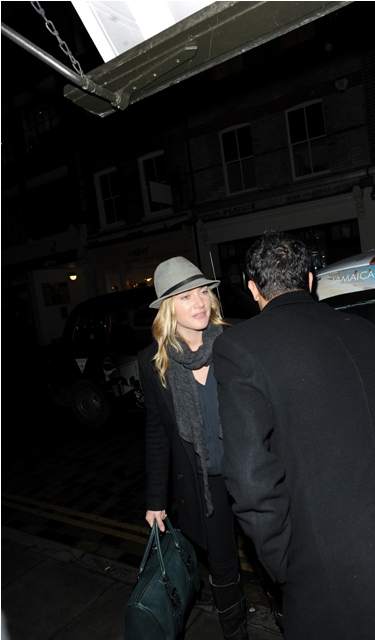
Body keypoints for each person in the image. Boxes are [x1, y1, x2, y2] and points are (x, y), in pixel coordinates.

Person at [212, 230, 375, 640]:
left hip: (340, 574)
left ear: (253, 289)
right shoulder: (359, 330)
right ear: (309, 280)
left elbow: (250, 479)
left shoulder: (240, 348)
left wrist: (283, 564)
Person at [137, 256, 248, 640]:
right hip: (204, 485)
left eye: (202, 291)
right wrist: (156, 499)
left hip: (248, 471)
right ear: (168, 307)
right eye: (186, 296)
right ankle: (236, 633)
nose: (199, 302)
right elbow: (157, 433)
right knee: (223, 567)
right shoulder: (154, 362)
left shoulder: (235, 340)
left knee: (271, 558)